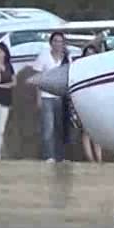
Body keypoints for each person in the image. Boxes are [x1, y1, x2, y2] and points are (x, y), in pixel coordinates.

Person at [31, 32, 69, 163]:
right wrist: (38, 97)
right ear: (51, 43)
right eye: (55, 41)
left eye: (60, 41)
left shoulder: (66, 58)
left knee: (60, 128)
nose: (58, 44)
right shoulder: (44, 56)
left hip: (61, 97)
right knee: (48, 128)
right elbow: (37, 78)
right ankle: (49, 155)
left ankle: (60, 156)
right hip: (46, 97)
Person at [75, 43, 104, 163]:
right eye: (87, 54)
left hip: (96, 101)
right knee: (86, 131)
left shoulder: (100, 69)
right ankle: (91, 158)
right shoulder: (80, 68)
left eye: (92, 54)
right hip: (84, 101)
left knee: (96, 131)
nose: (89, 56)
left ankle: (99, 158)